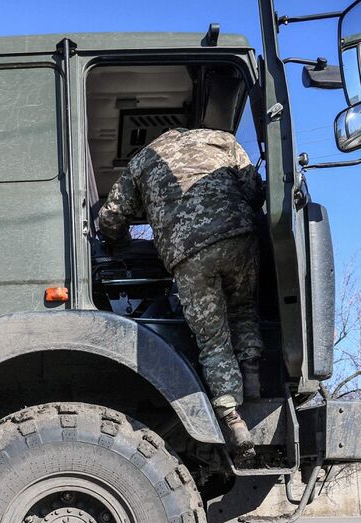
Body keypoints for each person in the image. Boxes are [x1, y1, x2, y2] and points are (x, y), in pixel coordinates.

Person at [95, 82, 265, 458]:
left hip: (190, 257)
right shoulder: (221, 140)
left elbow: (111, 218)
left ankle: (233, 418)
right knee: (243, 310)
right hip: (239, 238)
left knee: (213, 339)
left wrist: (119, 240)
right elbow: (254, 190)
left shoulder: (142, 160)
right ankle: (253, 377)